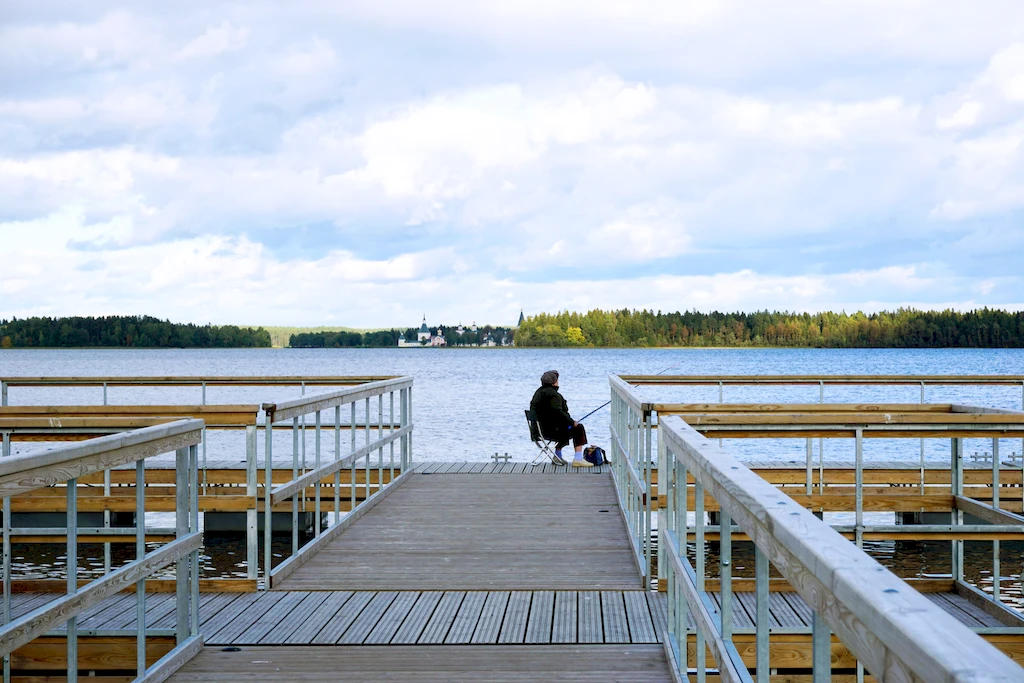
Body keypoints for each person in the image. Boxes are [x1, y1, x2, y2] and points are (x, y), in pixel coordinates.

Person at [529, 370, 592, 467]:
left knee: (564, 426)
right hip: (550, 431)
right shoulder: (554, 395)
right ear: (555, 382)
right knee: (578, 428)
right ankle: (578, 459)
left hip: (538, 431)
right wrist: (572, 422)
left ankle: (557, 456)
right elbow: (559, 413)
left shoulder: (538, 392)